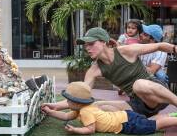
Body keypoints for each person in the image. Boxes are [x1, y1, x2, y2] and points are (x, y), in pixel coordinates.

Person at [42, 27, 177, 117]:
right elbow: (81, 97)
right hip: (140, 105)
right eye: (86, 46)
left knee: (139, 85)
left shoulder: (126, 51)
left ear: (103, 42)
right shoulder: (94, 70)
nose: (87, 49)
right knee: (96, 106)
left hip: (155, 91)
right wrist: (56, 106)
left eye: (91, 44)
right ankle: (148, 120)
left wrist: (175, 49)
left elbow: (159, 46)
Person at [42, 81, 177, 135]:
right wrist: (50, 112)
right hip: (125, 116)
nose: (67, 102)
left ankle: (172, 120)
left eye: (68, 100)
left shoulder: (85, 112)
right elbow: (65, 116)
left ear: (77, 103)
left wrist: (76, 130)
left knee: (155, 125)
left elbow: (90, 129)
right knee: (151, 121)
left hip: (126, 124)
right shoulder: (82, 108)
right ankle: (173, 116)